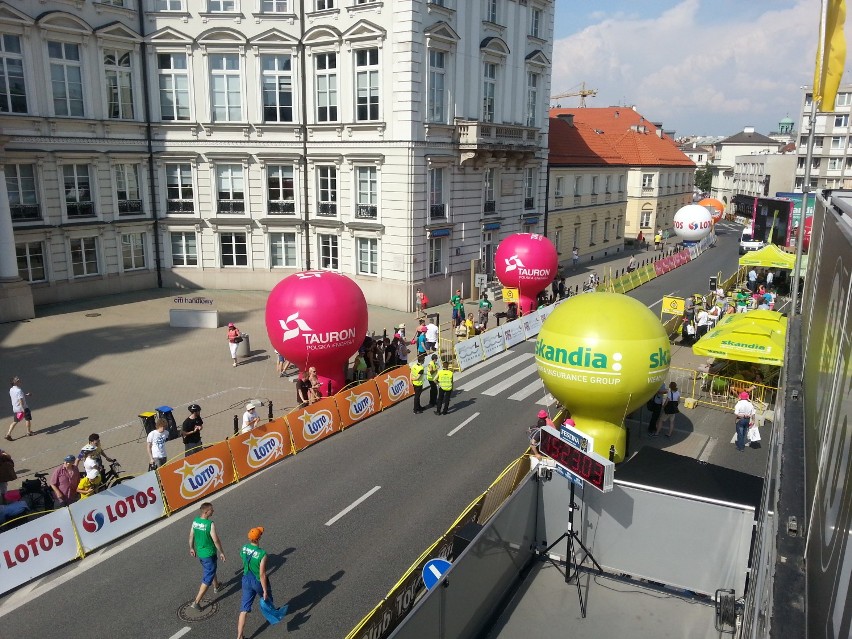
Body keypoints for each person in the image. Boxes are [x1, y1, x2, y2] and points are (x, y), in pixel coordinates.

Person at [189, 502, 226, 611]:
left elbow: (191, 535)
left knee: (211, 569)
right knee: (207, 577)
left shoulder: (195, 521)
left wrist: (191, 548)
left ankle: (216, 586)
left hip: (201, 553)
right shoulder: (210, 524)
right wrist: (222, 552)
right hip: (209, 554)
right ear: (206, 512)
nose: (213, 511)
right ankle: (196, 602)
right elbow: (215, 540)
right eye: (211, 510)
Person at [237, 527, 271, 639]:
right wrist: (265, 590)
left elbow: (243, 558)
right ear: (259, 538)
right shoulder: (262, 554)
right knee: (266, 598)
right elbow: (262, 574)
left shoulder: (244, 548)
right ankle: (272, 615)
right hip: (257, 581)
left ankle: (239, 636)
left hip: (246, 579)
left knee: (244, 609)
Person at [6, 376, 33, 441]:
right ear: (15, 383)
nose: (19, 381)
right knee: (27, 419)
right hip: (23, 408)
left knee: (15, 421)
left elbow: (17, 396)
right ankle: (28, 432)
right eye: (18, 380)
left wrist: (26, 395)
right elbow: (20, 400)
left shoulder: (11, 389)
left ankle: (8, 434)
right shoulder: (19, 390)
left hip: (15, 408)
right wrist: (23, 408)